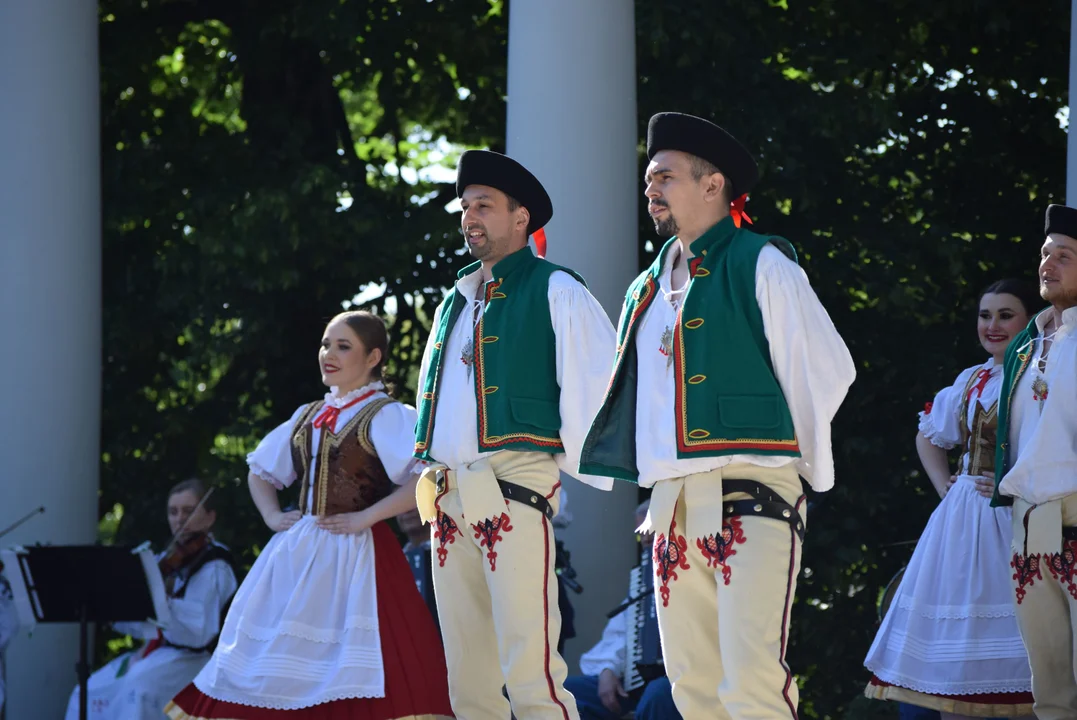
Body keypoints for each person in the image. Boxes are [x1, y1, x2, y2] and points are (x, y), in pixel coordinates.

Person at [580, 112, 856, 719]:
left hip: (755, 491)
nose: (650, 187)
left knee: (751, 678)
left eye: (665, 176)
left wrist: (793, 461)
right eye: (648, 177)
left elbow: (825, 368)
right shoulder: (642, 290)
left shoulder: (762, 263)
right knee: (691, 685)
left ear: (713, 185)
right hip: (671, 505)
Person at [166, 311, 453, 720]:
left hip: (359, 555)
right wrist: (270, 517)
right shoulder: (308, 415)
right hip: (298, 553)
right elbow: (260, 472)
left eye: (342, 346)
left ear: (373, 357)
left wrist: (367, 517)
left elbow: (427, 476)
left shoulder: (387, 415)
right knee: (275, 657)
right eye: (325, 344)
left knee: (367, 657)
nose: (328, 354)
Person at [413, 149, 617, 720]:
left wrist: (599, 465)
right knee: (467, 685)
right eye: (465, 206)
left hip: (514, 488)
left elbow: (604, 381)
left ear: (521, 217)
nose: (469, 216)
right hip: (448, 496)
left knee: (532, 676)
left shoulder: (556, 289)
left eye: (484, 205)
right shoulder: (453, 300)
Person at [864, 279, 1040, 718]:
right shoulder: (972, 379)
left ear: (1029, 319)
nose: (993, 325)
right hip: (961, 521)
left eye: (1005, 315)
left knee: (1020, 646)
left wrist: (1011, 482)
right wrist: (946, 485)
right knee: (951, 656)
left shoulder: (1040, 374)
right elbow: (929, 435)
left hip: (1014, 518)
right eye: (985, 315)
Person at [991, 204, 1077, 720]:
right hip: (1030, 518)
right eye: (1046, 254)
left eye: (1064, 255)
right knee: (1049, 687)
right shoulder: (1028, 343)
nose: (1048, 264)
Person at [63, 478, 239, 720]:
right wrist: (113, 607)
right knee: (86, 692)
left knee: (138, 690)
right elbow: (146, 625)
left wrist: (161, 599)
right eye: (173, 512)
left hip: (198, 660)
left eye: (188, 511)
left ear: (210, 517)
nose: (179, 519)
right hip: (163, 653)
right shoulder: (167, 560)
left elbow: (200, 633)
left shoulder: (214, 566)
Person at [564, 501, 680, 720]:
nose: (646, 540)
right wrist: (607, 670)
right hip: (634, 682)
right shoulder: (643, 583)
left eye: (652, 534)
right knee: (567, 690)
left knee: (657, 695)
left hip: (678, 680)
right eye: (641, 536)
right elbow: (620, 635)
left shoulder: (697, 577)